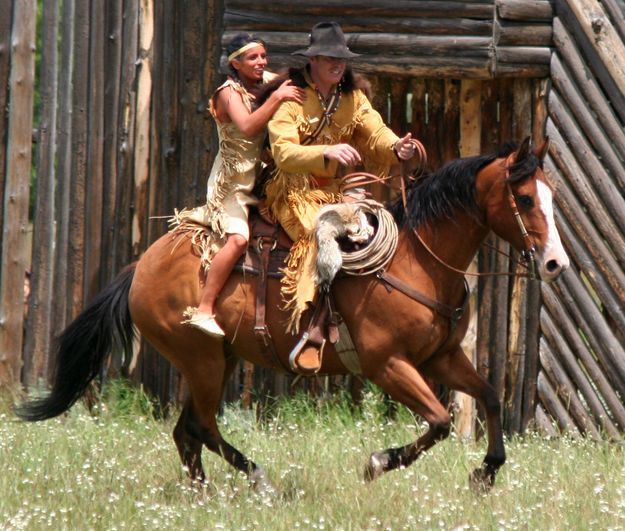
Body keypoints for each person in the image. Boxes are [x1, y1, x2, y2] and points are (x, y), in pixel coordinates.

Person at [265, 21, 419, 337]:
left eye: (341, 58)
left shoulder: (353, 98)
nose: (337, 64)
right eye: (329, 57)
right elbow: (283, 154)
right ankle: (314, 323)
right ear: (312, 60)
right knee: (316, 236)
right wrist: (328, 152)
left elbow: (375, 133)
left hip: (335, 192)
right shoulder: (291, 96)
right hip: (293, 190)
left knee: (374, 234)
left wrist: (396, 147)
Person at [183, 33, 305, 337]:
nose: (261, 62)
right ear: (235, 63)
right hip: (233, 183)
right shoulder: (227, 93)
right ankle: (204, 308)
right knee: (238, 239)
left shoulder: (266, 79)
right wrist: (277, 97)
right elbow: (249, 128)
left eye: (264, 56)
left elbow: (296, 84)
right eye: (253, 58)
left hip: (263, 177)